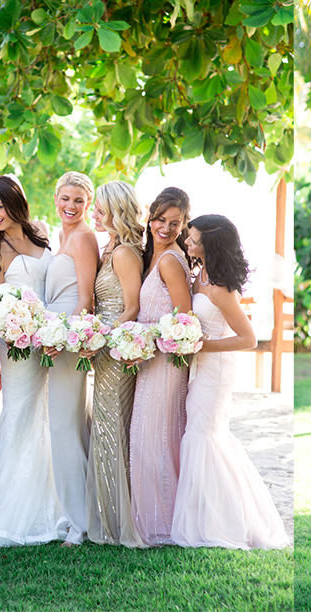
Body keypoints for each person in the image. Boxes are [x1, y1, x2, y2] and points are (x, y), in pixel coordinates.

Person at [170, 214, 288, 549]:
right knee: (201, 435)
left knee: (203, 435)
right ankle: (204, 513)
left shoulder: (221, 288)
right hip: (199, 365)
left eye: (193, 239)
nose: (188, 242)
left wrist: (202, 345)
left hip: (216, 369)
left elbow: (248, 339)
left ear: (211, 244)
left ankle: (221, 522)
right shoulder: (198, 276)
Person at [0, 175, 67, 548]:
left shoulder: (41, 236)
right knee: (20, 415)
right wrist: (18, 331)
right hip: (18, 347)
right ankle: (13, 512)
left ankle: (56, 503)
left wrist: (52, 328)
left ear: (15, 203)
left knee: (48, 416)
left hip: (50, 342)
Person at [128, 186, 193, 545]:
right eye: (160, 219)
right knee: (145, 438)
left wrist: (146, 339)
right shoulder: (152, 256)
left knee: (156, 439)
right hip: (150, 359)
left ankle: (163, 524)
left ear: (184, 225)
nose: (166, 228)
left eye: (175, 222)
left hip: (167, 360)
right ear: (150, 218)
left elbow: (184, 318)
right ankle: (151, 517)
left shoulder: (170, 260)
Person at [85, 180, 147, 548]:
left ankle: (117, 523)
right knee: (104, 428)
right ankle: (107, 514)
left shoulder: (124, 253)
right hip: (104, 347)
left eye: (100, 208)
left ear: (117, 209)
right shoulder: (108, 248)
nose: (94, 213)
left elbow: (132, 308)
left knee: (112, 429)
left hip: (118, 350)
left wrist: (102, 341)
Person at [44, 171, 99, 545]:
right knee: (62, 428)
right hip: (51, 337)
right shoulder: (58, 235)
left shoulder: (83, 238)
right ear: (56, 198)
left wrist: (65, 337)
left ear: (88, 205)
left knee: (65, 429)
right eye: (66, 198)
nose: (71, 206)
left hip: (67, 340)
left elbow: (85, 299)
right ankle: (71, 513)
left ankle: (81, 524)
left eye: (78, 201)